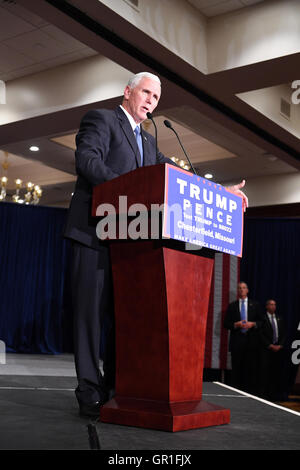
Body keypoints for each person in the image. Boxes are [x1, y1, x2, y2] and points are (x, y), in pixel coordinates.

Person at [64, 71, 249, 417]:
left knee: (125, 319)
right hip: (93, 235)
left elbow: (178, 175)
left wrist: (221, 191)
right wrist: (128, 191)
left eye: (156, 98)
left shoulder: (149, 143)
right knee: (89, 318)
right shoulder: (101, 119)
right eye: (146, 93)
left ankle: (117, 387)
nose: (151, 101)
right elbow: (87, 162)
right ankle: (89, 391)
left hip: (129, 242)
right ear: (128, 91)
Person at [224, 282, 263, 394]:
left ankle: (249, 393)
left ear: (247, 290)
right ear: (238, 291)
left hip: (251, 342)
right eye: (239, 288)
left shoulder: (255, 305)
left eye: (244, 288)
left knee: (250, 368)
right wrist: (236, 325)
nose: (241, 290)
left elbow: (262, 322)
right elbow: (226, 324)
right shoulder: (232, 306)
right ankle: (235, 392)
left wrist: (253, 324)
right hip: (237, 341)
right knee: (236, 368)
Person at [259, 299, 286, 401]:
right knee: (265, 373)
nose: (273, 306)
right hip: (266, 350)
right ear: (266, 306)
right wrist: (269, 345)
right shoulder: (262, 318)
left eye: (274, 304)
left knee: (275, 373)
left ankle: (273, 395)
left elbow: (283, 333)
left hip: (278, 350)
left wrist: (280, 345)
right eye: (271, 304)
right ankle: (263, 395)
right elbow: (260, 334)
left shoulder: (279, 318)